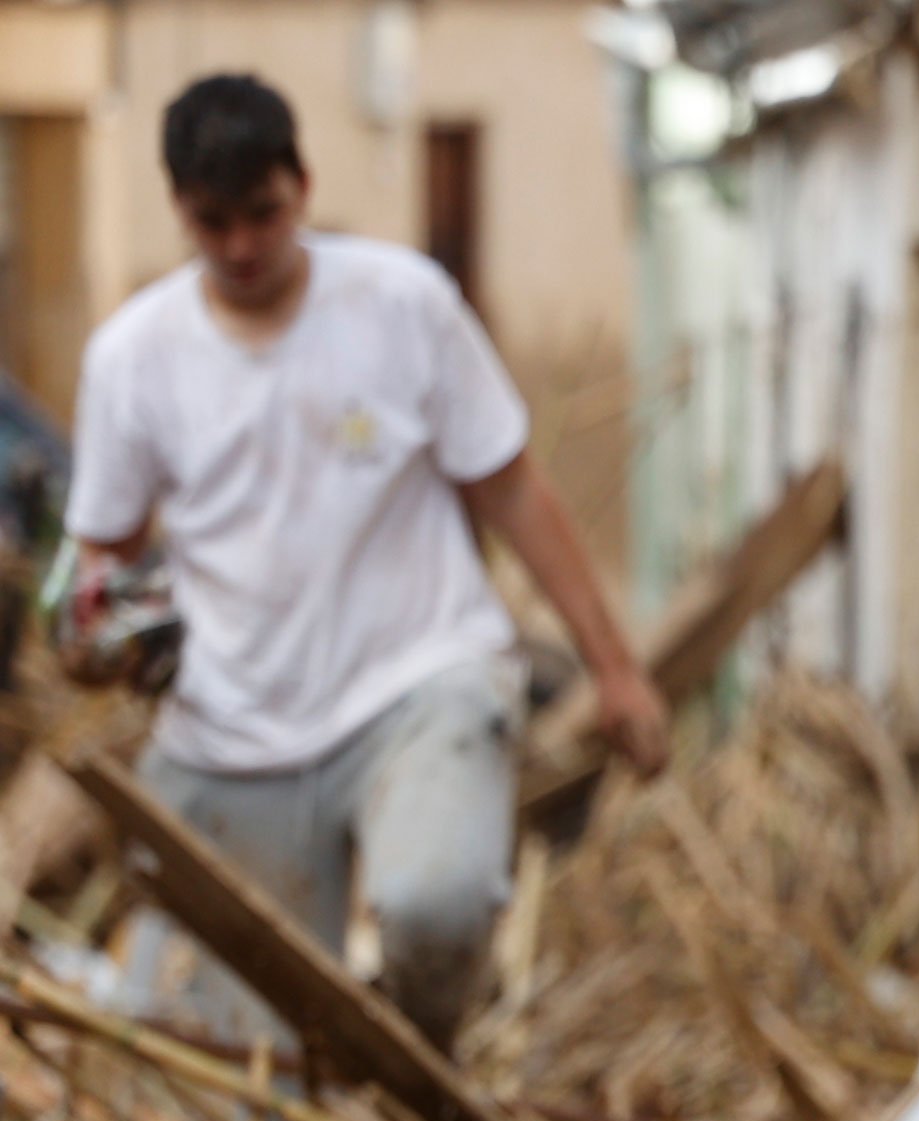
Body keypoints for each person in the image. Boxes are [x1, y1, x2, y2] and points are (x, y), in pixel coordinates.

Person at [72, 73, 668, 1051]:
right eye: (213, 223)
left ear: (301, 184)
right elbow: (107, 560)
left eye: (262, 215)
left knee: (437, 907)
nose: (242, 248)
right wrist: (101, 636)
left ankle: (418, 1059)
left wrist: (614, 667)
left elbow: (512, 487)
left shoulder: (403, 307)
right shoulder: (134, 359)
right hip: (231, 731)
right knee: (226, 1053)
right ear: (179, 209)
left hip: (415, 687)